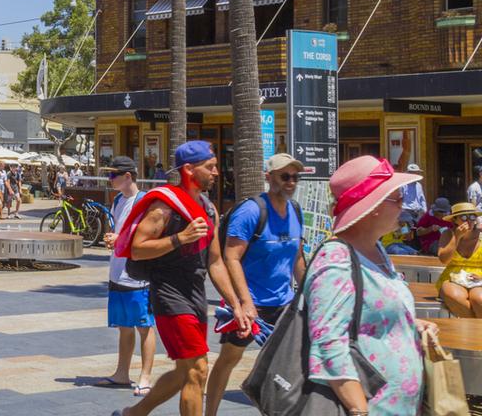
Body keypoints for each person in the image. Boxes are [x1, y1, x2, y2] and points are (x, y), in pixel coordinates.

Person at [111, 141, 247, 416]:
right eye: (210, 167)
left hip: (195, 295)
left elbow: (215, 261)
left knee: (185, 370)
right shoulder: (165, 206)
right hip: (168, 294)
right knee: (197, 369)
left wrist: (236, 304)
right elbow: (137, 249)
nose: (216, 172)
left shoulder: (208, 209)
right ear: (189, 169)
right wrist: (179, 238)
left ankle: (134, 413)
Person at [303, 155, 438, 415]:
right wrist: (358, 408)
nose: (403, 207)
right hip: (371, 408)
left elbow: (368, 314)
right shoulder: (336, 259)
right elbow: (328, 341)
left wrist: (409, 324)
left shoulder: (377, 250)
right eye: (397, 199)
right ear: (373, 205)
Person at [205, 153, 306, 416]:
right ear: (269, 177)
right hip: (250, 304)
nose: (291, 182)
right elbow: (231, 257)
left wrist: (308, 293)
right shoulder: (251, 211)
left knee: (288, 365)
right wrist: (244, 302)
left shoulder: (295, 211)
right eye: (285, 176)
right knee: (229, 359)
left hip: (283, 304)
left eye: (295, 177)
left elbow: (297, 257)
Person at [98, 156, 155, 397]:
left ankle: (145, 376)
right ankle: (122, 372)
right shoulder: (119, 199)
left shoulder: (144, 202)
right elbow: (122, 231)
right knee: (124, 326)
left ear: (128, 176)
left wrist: (119, 239)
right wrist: (115, 238)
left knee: (144, 326)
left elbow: (147, 237)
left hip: (138, 275)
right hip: (117, 271)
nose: (109, 179)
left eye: (113, 175)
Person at [436, 201, 482, 317]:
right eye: (464, 217)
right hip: (453, 276)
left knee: (479, 299)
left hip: (478, 277)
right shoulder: (448, 234)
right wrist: (457, 237)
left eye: (472, 217)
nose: (469, 221)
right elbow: (444, 260)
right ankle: (477, 328)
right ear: (455, 220)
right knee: (454, 297)